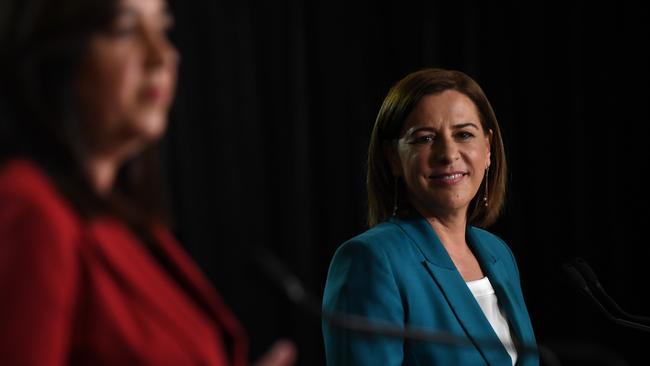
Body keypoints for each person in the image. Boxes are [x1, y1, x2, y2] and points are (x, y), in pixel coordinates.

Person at [0, 0, 296, 365]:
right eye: (125, 29)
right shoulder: (29, 210)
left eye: (163, 29)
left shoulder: (124, 222)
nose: (162, 56)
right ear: (53, 55)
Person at [322, 68, 538, 365]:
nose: (448, 153)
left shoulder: (498, 253)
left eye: (463, 134)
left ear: (487, 149)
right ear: (393, 158)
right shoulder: (371, 259)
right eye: (424, 139)